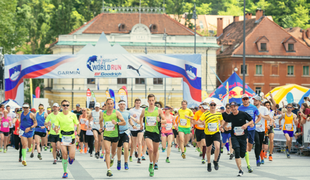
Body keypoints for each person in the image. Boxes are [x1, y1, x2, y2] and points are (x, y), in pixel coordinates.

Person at [220, 102, 254, 177]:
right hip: (234, 136)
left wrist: (246, 124)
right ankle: (240, 170)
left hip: (243, 136)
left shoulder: (243, 114)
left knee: (243, 153)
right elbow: (226, 121)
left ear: (237, 107)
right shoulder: (230, 116)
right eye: (231, 107)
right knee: (237, 150)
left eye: (234, 106)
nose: (233, 108)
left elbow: (251, 121)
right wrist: (222, 126)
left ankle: (244, 162)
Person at [139, 94, 166, 177]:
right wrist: (141, 125)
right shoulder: (144, 110)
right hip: (148, 132)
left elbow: (165, 120)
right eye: (150, 100)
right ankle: (151, 163)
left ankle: (153, 165)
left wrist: (160, 120)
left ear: (154, 101)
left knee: (155, 152)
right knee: (150, 149)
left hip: (156, 133)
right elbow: (141, 117)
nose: (151, 102)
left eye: (152, 100)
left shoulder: (159, 110)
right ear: (148, 101)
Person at [54, 100, 80, 178]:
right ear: (61, 106)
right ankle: (65, 172)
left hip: (71, 136)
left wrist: (77, 135)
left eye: (67, 105)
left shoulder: (73, 115)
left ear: (69, 106)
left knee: (71, 156)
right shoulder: (59, 115)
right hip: (62, 136)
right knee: (64, 154)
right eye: (64, 105)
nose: (65, 106)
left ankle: (70, 159)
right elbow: (56, 126)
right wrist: (56, 129)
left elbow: (78, 125)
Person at [102, 98, 126, 177]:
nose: (110, 105)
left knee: (113, 152)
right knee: (107, 151)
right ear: (106, 105)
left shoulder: (117, 113)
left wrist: (117, 123)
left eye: (111, 103)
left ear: (113, 104)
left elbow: (124, 122)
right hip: (106, 135)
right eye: (108, 104)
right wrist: (101, 127)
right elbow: (100, 121)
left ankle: (112, 158)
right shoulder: (103, 113)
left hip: (115, 135)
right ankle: (108, 169)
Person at [198, 100, 223, 172]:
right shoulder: (205, 113)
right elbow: (200, 120)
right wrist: (201, 122)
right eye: (211, 105)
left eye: (214, 105)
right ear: (209, 106)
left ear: (216, 106)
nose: (212, 106)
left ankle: (215, 161)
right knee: (208, 149)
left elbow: (221, 121)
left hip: (216, 132)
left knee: (217, 147)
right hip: (208, 133)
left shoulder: (219, 114)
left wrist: (221, 126)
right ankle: (209, 163)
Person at [238, 94, 261, 172]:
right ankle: (248, 165)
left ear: (248, 99)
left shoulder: (253, 107)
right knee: (246, 147)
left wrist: (254, 123)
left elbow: (259, 116)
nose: (245, 100)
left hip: (251, 129)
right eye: (243, 99)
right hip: (244, 130)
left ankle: (246, 152)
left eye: (246, 98)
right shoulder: (239, 108)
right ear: (242, 100)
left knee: (250, 148)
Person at [117, 100, 136, 170]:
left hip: (126, 131)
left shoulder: (127, 112)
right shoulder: (116, 112)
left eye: (123, 104)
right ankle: (119, 161)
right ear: (118, 105)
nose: (122, 105)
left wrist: (133, 125)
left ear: (125, 105)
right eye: (121, 104)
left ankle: (126, 162)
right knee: (119, 148)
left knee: (126, 147)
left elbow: (129, 120)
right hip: (118, 132)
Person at [253, 96, 270, 166]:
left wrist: (261, 116)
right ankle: (257, 158)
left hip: (262, 129)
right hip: (254, 128)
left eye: (256, 101)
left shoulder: (264, 108)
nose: (255, 102)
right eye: (254, 100)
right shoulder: (252, 108)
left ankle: (259, 156)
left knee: (259, 145)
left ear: (260, 102)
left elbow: (268, 118)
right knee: (257, 143)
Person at [129, 99, 144, 163]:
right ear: (135, 103)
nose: (138, 104)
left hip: (140, 128)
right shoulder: (131, 110)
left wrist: (141, 123)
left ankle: (139, 157)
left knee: (140, 142)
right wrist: (133, 118)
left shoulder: (142, 110)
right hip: (133, 128)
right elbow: (128, 117)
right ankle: (135, 151)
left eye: (139, 103)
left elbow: (144, 118)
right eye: (137, 103)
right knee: (134, 143)